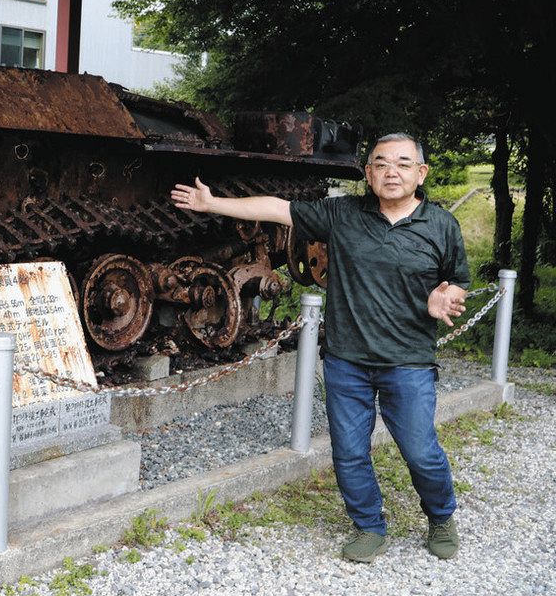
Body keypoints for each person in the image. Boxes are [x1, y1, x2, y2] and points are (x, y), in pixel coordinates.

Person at [170, 132, 469, 563]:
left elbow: (457, 277)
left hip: (409, 360)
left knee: (421, 450)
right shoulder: (342, 214)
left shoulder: (441, 225)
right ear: (368, 174)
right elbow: (277, 208)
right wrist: (211, 203)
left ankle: (441, 516)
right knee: (348, 452)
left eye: (403, 163)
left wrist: (446, 296)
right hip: (347, 358)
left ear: (420, 173)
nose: (392, 171)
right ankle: (368, 526)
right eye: (381, 163)